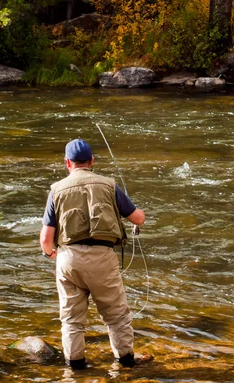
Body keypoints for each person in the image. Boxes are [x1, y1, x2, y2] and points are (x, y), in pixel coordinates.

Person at [40, 138, 151, 370]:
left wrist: (52, 255)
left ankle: (75, 367)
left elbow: (46, 239)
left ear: (67, 163)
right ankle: (126, 363)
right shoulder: (109, 185)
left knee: (71, 320)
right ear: (91, 161)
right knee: (116, 316)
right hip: (102, 257)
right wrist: (137, 213)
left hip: (68, 258)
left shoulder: (56, 190)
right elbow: (138, 218)